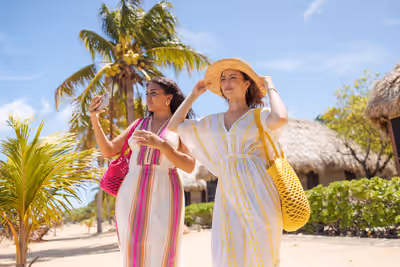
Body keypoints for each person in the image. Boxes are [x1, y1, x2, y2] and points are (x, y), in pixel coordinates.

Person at [168, 58, 289, 267]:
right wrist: (194, 95)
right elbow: (173, 125)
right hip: (228, 195)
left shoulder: (259, 116)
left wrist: (269, 85)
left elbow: (280, 118)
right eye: (223, 79)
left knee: (263, 250)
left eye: (233, 77)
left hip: (260, 191)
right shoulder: (212, 122)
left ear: (247, 84)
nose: (227, 82)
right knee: (228, 250)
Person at [89, 77, 196, 267]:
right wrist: (95, 119)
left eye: (154, 93)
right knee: (133, 250)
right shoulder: (138, 123)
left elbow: (189, 165)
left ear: (168, 98)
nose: (148, 98)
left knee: (164, 249)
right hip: (131, 191)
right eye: (147, 93)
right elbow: (108, 151)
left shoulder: (181, 126)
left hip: (166, 191)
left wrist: (162, 145)